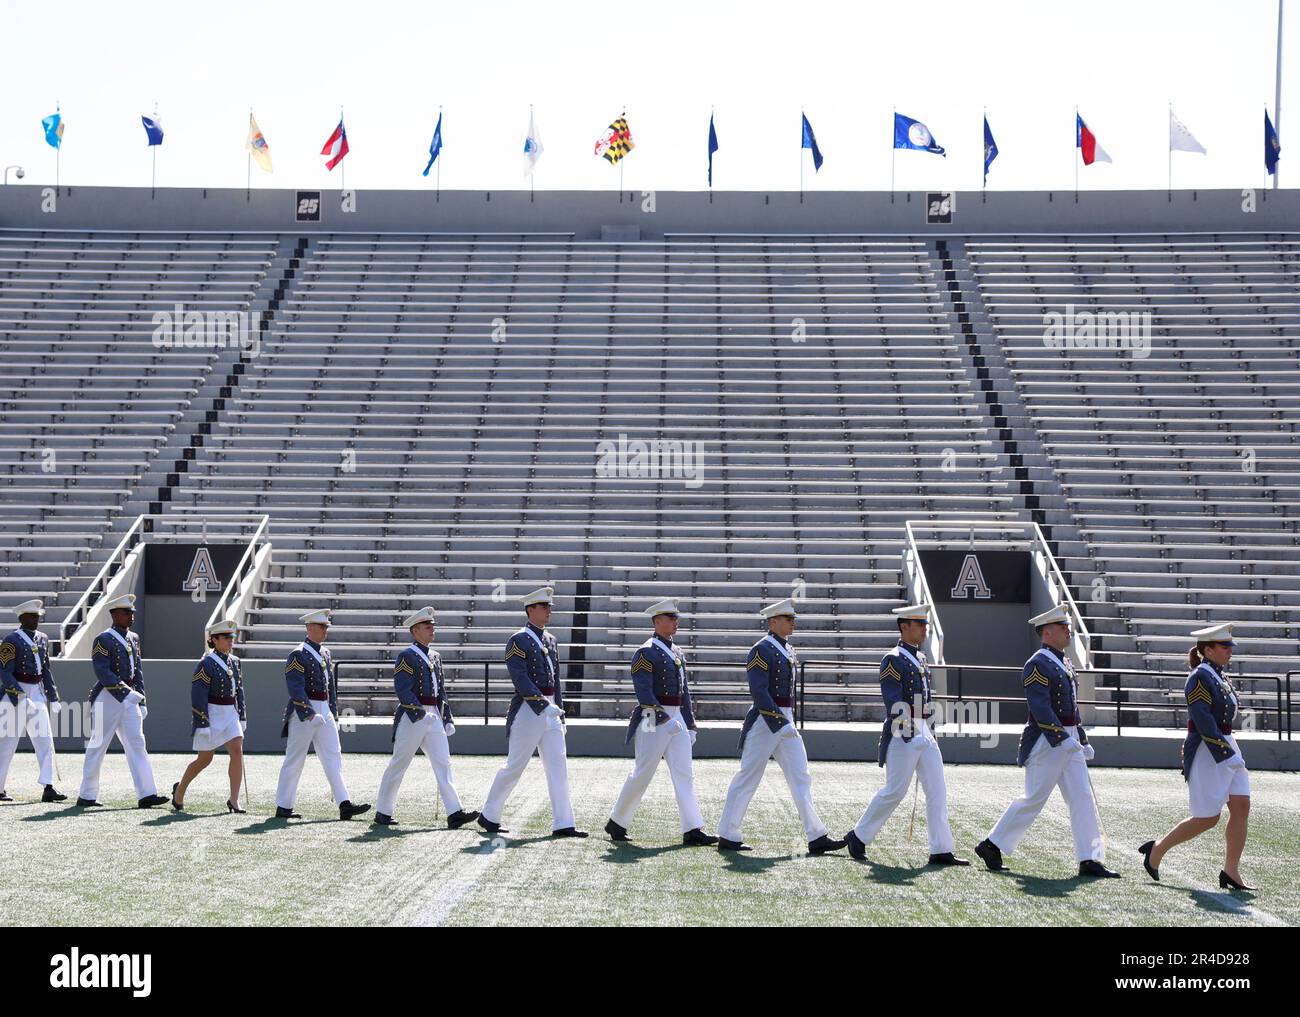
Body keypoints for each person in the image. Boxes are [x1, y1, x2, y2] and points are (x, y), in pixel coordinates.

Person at [975, 605, 1118, 878]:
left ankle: (1089, 858)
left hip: (1068, 740)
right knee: (1034, 797)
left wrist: (1080, 737)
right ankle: (991, 844)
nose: (1068, 631)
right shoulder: (1037, 663)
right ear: (1047, 632)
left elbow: (1072, 707)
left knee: (1082, 797)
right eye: (1063, 627)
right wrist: (1061, 737)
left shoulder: (1063, 662)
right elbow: (1040, 707)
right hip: (1046, 740)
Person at [716, 599, 845, 855]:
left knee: (801, 775)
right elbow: (759, 692)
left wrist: (787, 720)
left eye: (792, 618)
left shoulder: (785, 649)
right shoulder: (761, 649)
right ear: (773, 622)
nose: (792, 622)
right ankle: (728, 834)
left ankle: (816, 834)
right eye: (787, 619)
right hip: (766, 720)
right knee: (749, 776)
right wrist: (779, 721)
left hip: (784, 718)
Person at [844, 604, 966, 865]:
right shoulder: (893, 659)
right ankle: (858, 836)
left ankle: (941, 849)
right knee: (895, 791)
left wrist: (928, 731)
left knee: (937, 790)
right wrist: (911, 733)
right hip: (903, 733)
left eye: (924, 625)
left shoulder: (919, 658)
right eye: (919, 624)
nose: (924, 629)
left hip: (924, 731)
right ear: (904, 627)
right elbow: (893, 701)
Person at [1139, 623, 1255, 891]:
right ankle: (1156, 850)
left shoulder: (1218, 675)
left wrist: (1230, 751)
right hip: (1208, 750)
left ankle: (1231, 871)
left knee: (1241, 806)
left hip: (1226, 745)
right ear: (1209, 650)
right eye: (1225, 647)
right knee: (1207, 817)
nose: (1230, 651)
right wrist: (1224, 753)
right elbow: (1202, 720)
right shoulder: (1199, 677)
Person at [606, 598, 716, 846]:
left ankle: (693, 828)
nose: (676, 622)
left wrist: (690, 724)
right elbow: (643, 692)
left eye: (676, 618)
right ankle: (617, 821)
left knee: (684, 773)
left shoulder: (677, 652)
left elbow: (684, 692)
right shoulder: (646, 651)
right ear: (657, 621)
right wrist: (664, 718)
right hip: (652, 718)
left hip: (675, 716)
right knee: (643, 772)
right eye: (670, 617)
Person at [479, 587, 586, 838]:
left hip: (550, 709)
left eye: (549, 607)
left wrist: (558, 712)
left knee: (558, 767)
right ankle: (489, 814)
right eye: (544, 606)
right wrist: (542, 704)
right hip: (529, 709)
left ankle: (564, 823)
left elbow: (556, 679)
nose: (549, 611)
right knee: (515, 765)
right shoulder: (518, 640)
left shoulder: (551, 640)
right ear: (531, 610)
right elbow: (520, 678)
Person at [373, 606, 478, 829]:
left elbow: (441, 691)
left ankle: (454, 811)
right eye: (427, 627)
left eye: (432, 626)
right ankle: (383, 810)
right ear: (415, 630)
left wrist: (446, 717)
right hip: (413, 716)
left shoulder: (435, 656)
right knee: (400, 763)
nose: (432, 630)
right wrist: (420, 713)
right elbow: (402, 689)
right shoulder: (406, 656)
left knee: (443, 763)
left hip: (434, 716)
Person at [273, 609, 369, 821]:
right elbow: (295, 687)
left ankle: (344, 803)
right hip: (304, 710)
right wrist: (308, 712)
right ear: (309, 628)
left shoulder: (325, 653)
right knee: (295, 758)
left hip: (323, 707)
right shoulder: (298, 653)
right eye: (321, 626)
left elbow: (330, 685)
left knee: (333, 756)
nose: (325, 630)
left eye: (326, 626)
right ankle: (283, 805)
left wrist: (332, 711)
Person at [76, 594, 168, 809]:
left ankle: (147, 793)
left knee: (138, 744)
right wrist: (126, 693)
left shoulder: (133, 638)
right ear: (115, 614)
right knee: (97, 746)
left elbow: (138, 671)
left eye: (132, 612)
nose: (131, 616)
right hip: (108, 696)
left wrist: (142, 699)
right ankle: (87, 795)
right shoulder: (103, 639)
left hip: (130, 698)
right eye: (127, 613)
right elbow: (102, 671)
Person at [172, 619, 247, 813]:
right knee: (205, 759)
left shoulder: (235, 662)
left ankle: (234, 799)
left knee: (237, 751)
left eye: (232, 637)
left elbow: (239, 690)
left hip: (230, 713)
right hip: (212, 713)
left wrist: (242, 715)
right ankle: (179, 791)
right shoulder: (206, 664)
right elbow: (198, 694)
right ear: (214, 640)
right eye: (225, 637)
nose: (230, 641)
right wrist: (202, 722)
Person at [0, 599, 65, 802]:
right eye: (33, 616)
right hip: (15, 693)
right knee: (7, 744)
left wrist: (53, 696)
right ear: (22, 618)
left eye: (38, 616)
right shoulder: (11, 640)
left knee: (45, 741)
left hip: (37, 692)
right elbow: (5, 671)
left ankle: (48, 786)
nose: (37, 619)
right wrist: (19, 696)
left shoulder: (43, 638)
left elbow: (45, 670)